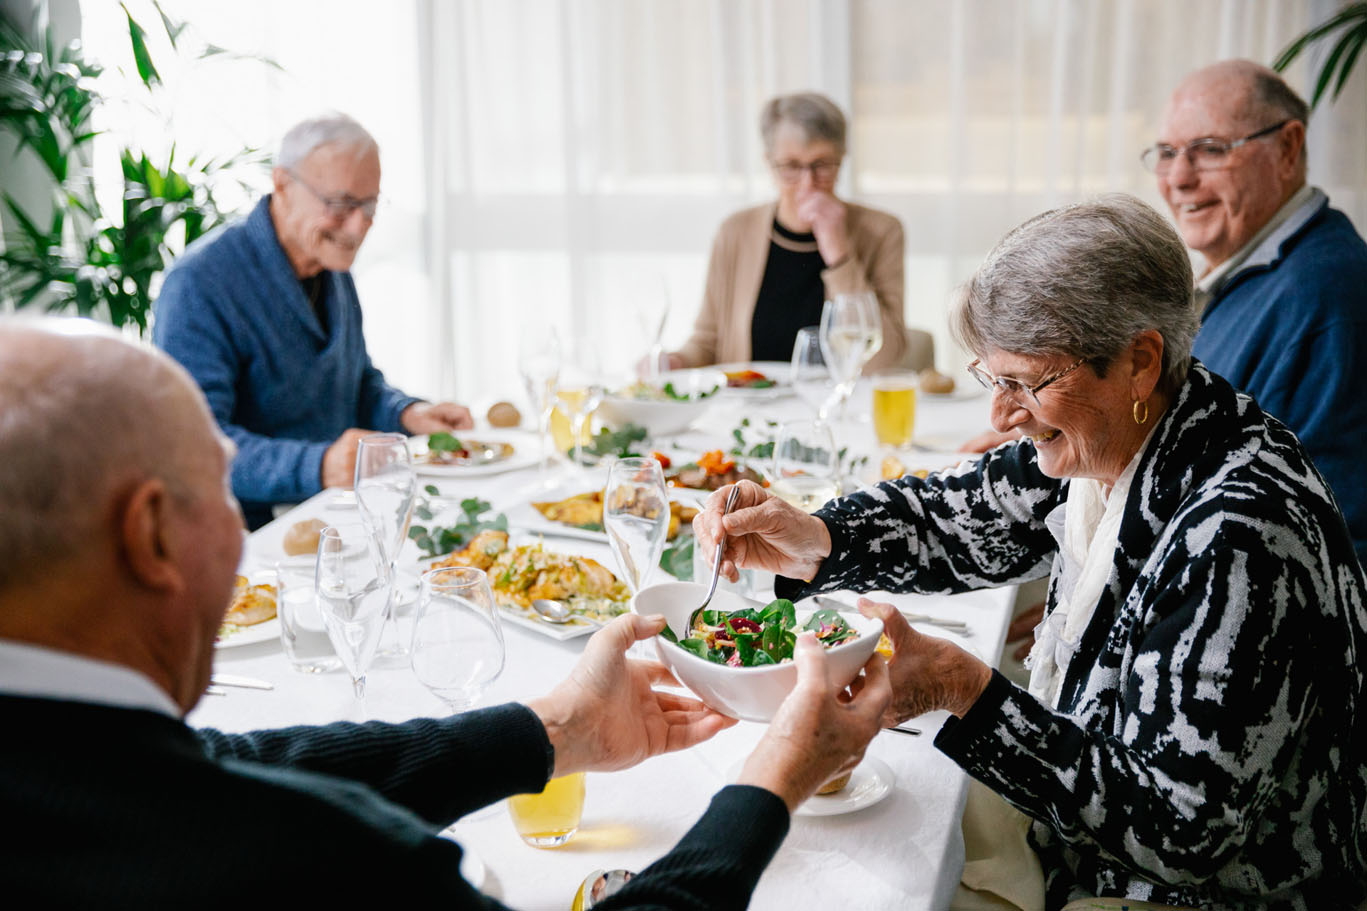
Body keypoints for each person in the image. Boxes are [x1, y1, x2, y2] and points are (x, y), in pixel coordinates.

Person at [0, 317, 891, 908]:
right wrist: (772, 776)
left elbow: (222, 762)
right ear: (150, 532)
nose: (242, 540)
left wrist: (550, 730)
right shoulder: (333, 866)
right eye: (220, 498)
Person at [695, 196, 1367, 909]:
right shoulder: (1144, 429)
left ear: (1139, 359)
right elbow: (957, 516)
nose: (1000, 414)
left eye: (1026, 382)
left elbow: (1178, 831)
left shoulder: (1238, 537)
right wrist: (815, 536)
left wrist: (968, 693)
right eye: (994, 378)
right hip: (1100, 838)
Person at [154, 113, 474, 530]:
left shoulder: (330, 264)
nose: (359, 226)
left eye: (370, 205)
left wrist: (406, 414)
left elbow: (354, 385)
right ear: (283, 185)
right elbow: (195, 447)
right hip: (245, 540)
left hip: (334, 519)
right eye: (341, 205)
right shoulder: (198, 283)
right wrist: (318, 466)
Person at [1149, 59, 1367, 569]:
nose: (1179, 178)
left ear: (1287, 149)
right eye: (1166, 153)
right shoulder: (1256, 275)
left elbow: (1320, 543)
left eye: (1209, 150)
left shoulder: (1323, 300)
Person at [665, 92, 908, 371]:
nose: (808, 183)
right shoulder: (734, 232)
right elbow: (707, 342)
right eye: (791, 166)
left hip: (838, 408)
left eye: (822, 165)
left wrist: (839, 253)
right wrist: (676, 361)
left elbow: (883, 357)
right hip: (747, 408)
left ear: (841, 159)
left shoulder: (882, 232)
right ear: (769, 163)